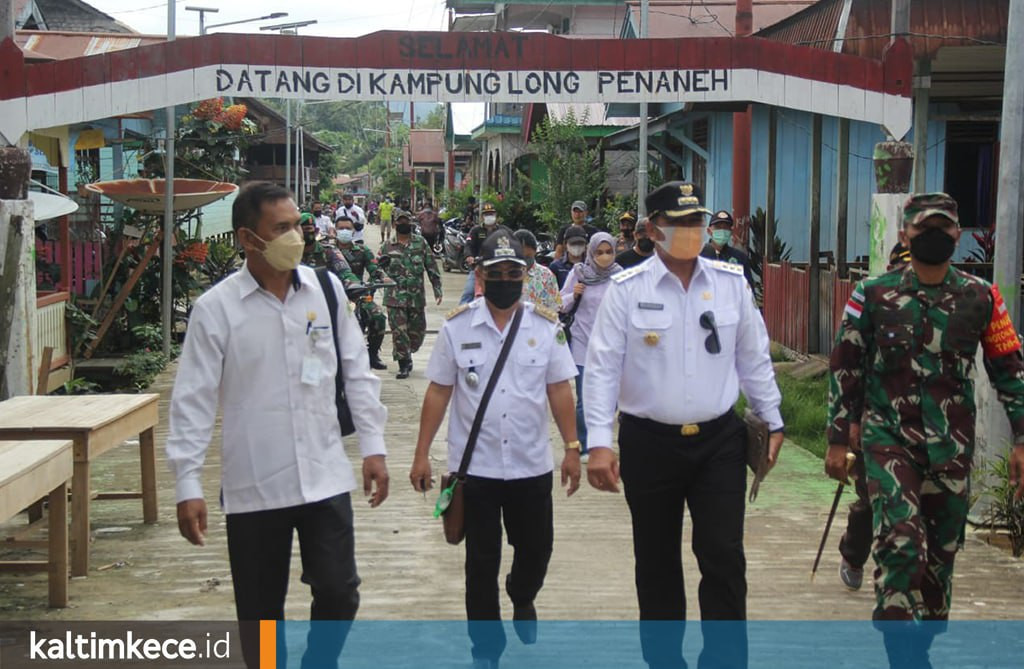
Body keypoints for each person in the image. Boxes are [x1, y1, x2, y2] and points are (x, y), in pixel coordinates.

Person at [166, 182, 390, 669]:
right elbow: (193, 400)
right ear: (249, 238)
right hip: (255, 485)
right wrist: (187, 482)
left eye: (297, 225)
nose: (296, 237)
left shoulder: (326, 291)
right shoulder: (217, 310)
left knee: (339, 592)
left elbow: (357, 371)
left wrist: (374, 447)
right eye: (281, 228)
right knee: (261, 619)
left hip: (324, 475)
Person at [584, 181, 785, 669]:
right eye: (680, 223)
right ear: (654, 230)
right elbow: (603, 368)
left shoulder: (731, 283)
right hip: (648, 442)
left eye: (697, 222)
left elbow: (753, 357)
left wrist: (773, 419)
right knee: (656, 564)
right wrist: (598, 443)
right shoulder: (626, 290)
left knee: (723, 556)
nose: (692, 232)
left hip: (719, 441)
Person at [827, 193, 1024, 668]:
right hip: (888, 441)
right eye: (923, 230)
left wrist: (1021, 438)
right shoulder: (872, 294)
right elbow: (845, 365)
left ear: (958, 235)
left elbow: (1009, 369)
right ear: (905, 236)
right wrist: (838, 436)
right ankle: (903, 657)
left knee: (940, 563)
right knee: (900, 544)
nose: (933, 236)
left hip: (951, 448)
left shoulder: (982, 297)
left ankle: (921, 647)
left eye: (943, 228)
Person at [410, 230, 581, 669]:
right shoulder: (457, 327)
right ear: (480, 276)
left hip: (530, 465)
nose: (506, 280)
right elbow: (438, 392)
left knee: (537, 550)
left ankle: (523, 595)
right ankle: (486, 651)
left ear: (525, 276)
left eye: (514, 272)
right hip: (477, 468)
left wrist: (572, 446)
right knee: (479, 566)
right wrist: (421, 453)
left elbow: (560, 388)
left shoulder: (545, 327)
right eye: (497, 273)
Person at [837, 241, 913, 592]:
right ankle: (854, 554)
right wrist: (850, 421)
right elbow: (851, 368)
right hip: (875, 423)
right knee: (871, 500)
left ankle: (898, 574)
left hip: (924, 431)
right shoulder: (873, 305)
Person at [560, 232, 621, 459]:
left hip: (611, 347)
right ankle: (584, 445)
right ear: (591, 253)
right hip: (583, 343)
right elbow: (561, 303)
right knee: (585, 400)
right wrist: (572, 296)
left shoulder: (620, 276)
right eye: (599, 252)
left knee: (611, 398)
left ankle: (600, 440)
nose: (604, 257)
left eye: (609, 252)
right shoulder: (579, 274)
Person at [379, 210, 443, 379]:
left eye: (406, 221)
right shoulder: (387, 246)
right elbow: (376, 269)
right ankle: (403, 363)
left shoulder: (420, 243)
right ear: (394, 224)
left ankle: (409, 351)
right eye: (400, 222)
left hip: (416, 297)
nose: (403, 224)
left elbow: (431, 266)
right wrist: (380, 269)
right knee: (399, 332)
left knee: (417, 332)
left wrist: (437, 288)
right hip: (394, 298)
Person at [336, 215, 391, 371]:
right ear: (335, 230)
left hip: (358, 295)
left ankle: (372, 354)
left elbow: (374, 268)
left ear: (353, 231)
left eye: (348, 228)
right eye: (341, 228)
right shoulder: (329, 251)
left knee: (378, 317)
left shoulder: (362, 250)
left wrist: (383, 277)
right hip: (331, 297)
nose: (344, 231)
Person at [460, 202, 513, 305]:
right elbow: (468, 245)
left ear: (496, 216)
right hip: (479, 269)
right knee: (469, 293)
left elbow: (514, 243)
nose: (489, 216)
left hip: (499, 270)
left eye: (491, 214)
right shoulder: (475, 231)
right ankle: (460, 318)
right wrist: (469, 256)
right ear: (482, 217)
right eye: (486, 214)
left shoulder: (503, 231)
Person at [300, 213, 359, 286]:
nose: (303, 233)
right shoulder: (288, 252)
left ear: (316, 231)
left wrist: (353, 284)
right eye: (300, 230)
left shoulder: (329, 251)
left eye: (308, 229)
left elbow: (345, 272)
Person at [700, 210, 754, 288]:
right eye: (718, 227)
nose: (722, 230)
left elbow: (748, 287)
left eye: (726, 228)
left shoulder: (740, 258)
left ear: (731, 232)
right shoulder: (699, 256)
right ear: (709, 231)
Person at [513, 229, 561, 312]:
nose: (524, 261)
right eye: (520, 257)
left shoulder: (547, 276)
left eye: (527, 257)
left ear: (535, 251)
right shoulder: (503, 274)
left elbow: (554, 310)